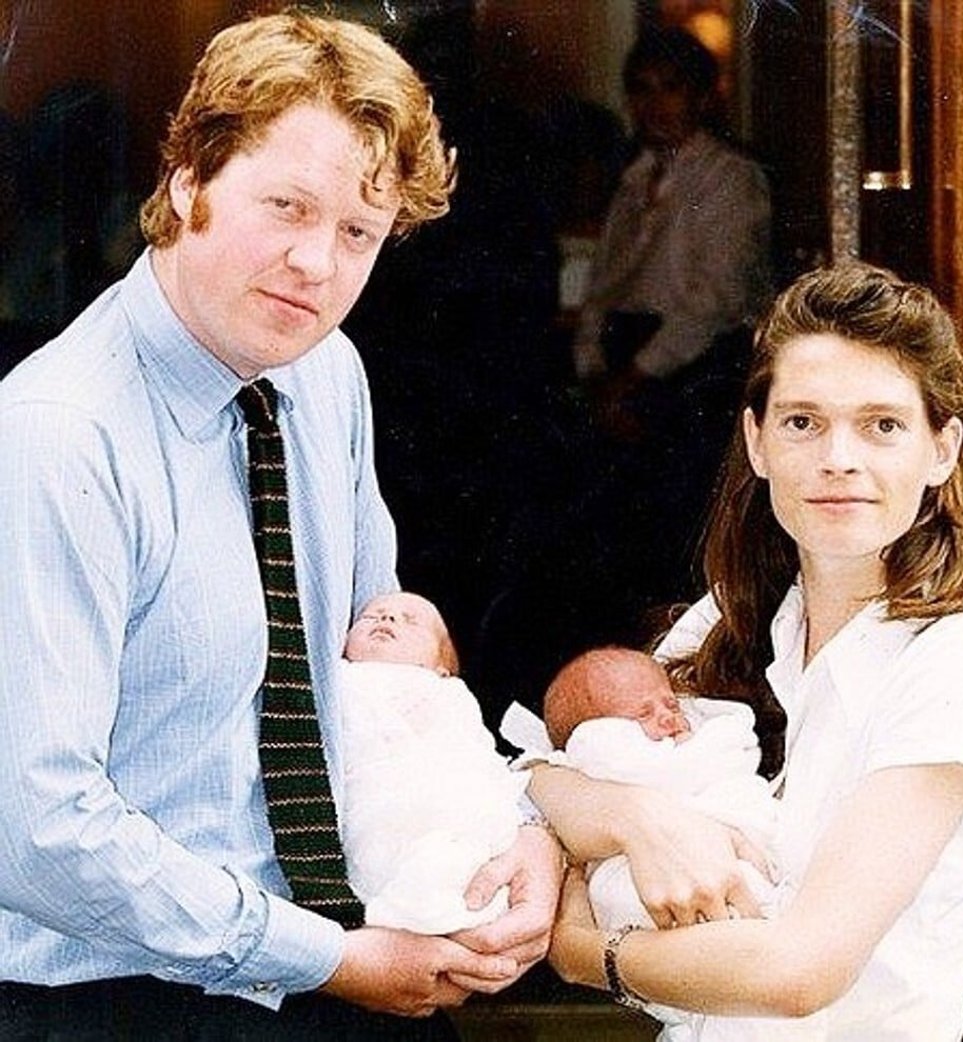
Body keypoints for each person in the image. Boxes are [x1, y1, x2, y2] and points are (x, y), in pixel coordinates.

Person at [0, 12, 562, 1040]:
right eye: (286, 207)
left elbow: (385, 691)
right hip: (114, 1002)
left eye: (358, 232)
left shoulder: (324, 374)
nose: (317, 262)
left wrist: (520, 830)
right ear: (187, 181)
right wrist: (326, 958)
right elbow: (34, 829)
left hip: (344, 961)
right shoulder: (57, 437)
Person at [531, 261, 963, 1040]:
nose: (839, 458)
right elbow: (542, 778)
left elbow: (798, 973)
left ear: (942, 449)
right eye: (802, 422)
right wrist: (640, 818)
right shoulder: (728, 619)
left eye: (882, 425)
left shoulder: (961, 660)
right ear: (758, 442)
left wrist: (582, 952)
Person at [502, 646, 784, 1036]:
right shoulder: (607, 751)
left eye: (670, 704)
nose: (668, 716)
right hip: (682, 922)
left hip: (774, 946)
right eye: (641, 715)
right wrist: (633, 814)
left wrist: (586, 953)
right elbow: (544, 768)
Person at [572, 25, 772, 446]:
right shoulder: (633, 178)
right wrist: (592, 370)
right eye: (642, 90)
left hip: (693, 369)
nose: (654, 104)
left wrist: (632, 380)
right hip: (625, 365)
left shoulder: (729, 177)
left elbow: (715, 301)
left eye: (671, 88)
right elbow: (602, 286)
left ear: (701, 97)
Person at [337, 591, 528, 935]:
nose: (387, 619)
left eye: (411, 621)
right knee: (381, 850)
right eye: (372, 616)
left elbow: (476, 753)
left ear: (443, 667)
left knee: (462, 841)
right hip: (375, 797)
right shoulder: (340, 678)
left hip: (443, 795)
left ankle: (446, 904)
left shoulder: (448, 694)